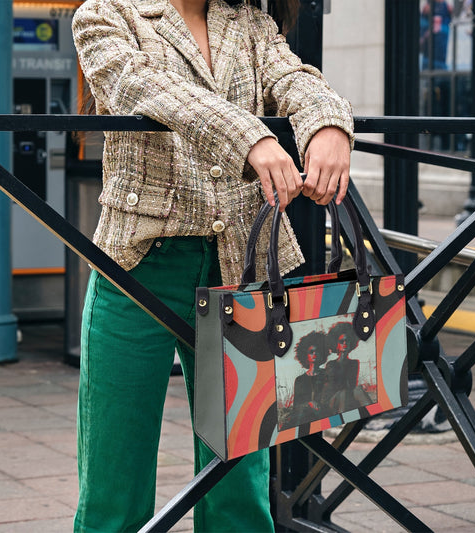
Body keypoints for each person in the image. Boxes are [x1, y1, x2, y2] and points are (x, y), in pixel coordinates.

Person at [71, 0, 353, 530]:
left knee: (239, 488)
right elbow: (145, 87)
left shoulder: (249, 23)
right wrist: (253, 137)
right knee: (115, 482)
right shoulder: (106, 14)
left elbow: (296, 79)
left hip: (240, 271)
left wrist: (329, 124)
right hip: (138, 270)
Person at [290, 331, 331, 425]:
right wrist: (309, 404)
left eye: (317, 351)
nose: (314, 354)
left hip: (324, 414)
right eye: (311, 352)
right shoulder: (300, 380)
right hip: (305, 416)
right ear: (305, 355)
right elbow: (296, 406)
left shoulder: (327, 374)